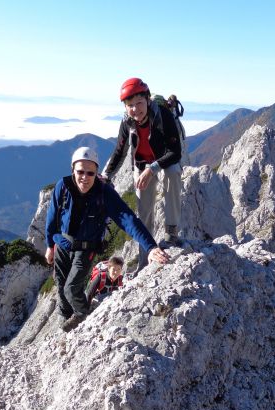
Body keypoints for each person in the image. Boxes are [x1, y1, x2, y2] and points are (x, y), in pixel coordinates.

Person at [45, 146, 169, 331]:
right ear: (73, 170)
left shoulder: (104, 193)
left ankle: (82, 315)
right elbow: (52, 217)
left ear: (96, 173)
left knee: (71, 288)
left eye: (90, 173)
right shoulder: (62, 187)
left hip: (86, 248)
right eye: (80, 172)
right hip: (62, 244)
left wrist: (150, 247)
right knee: (61, 287)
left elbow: (127, 219)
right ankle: (66, 321)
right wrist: (49, 246)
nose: (85, 177)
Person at [101, 77, 183, 271]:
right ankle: (144, 259)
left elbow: (175, 152)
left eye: (139, 103)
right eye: (130, 105)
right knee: (143, 211)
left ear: (148, 100)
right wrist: (106, 175)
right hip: (141, 164)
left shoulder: (163, 115)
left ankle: (172, 233)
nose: (135, 109)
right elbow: (119, 151)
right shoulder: (127, 122)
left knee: (172, 173)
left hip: (163, 160)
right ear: (125, 107)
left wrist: (152, 168)